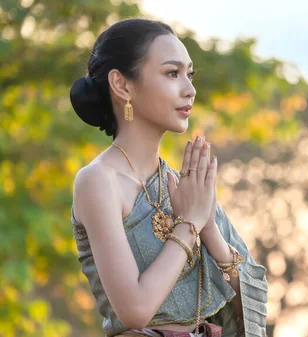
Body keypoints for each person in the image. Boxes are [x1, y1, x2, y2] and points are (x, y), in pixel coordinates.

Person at [69, 18, 268, 337]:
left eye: (190, 75)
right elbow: (134, 310)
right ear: (122, 85)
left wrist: (209, 229)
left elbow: (255, 304)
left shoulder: (183, 185)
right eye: (172, 73)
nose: (189, 89)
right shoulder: (98, 181)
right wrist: (189, 224)